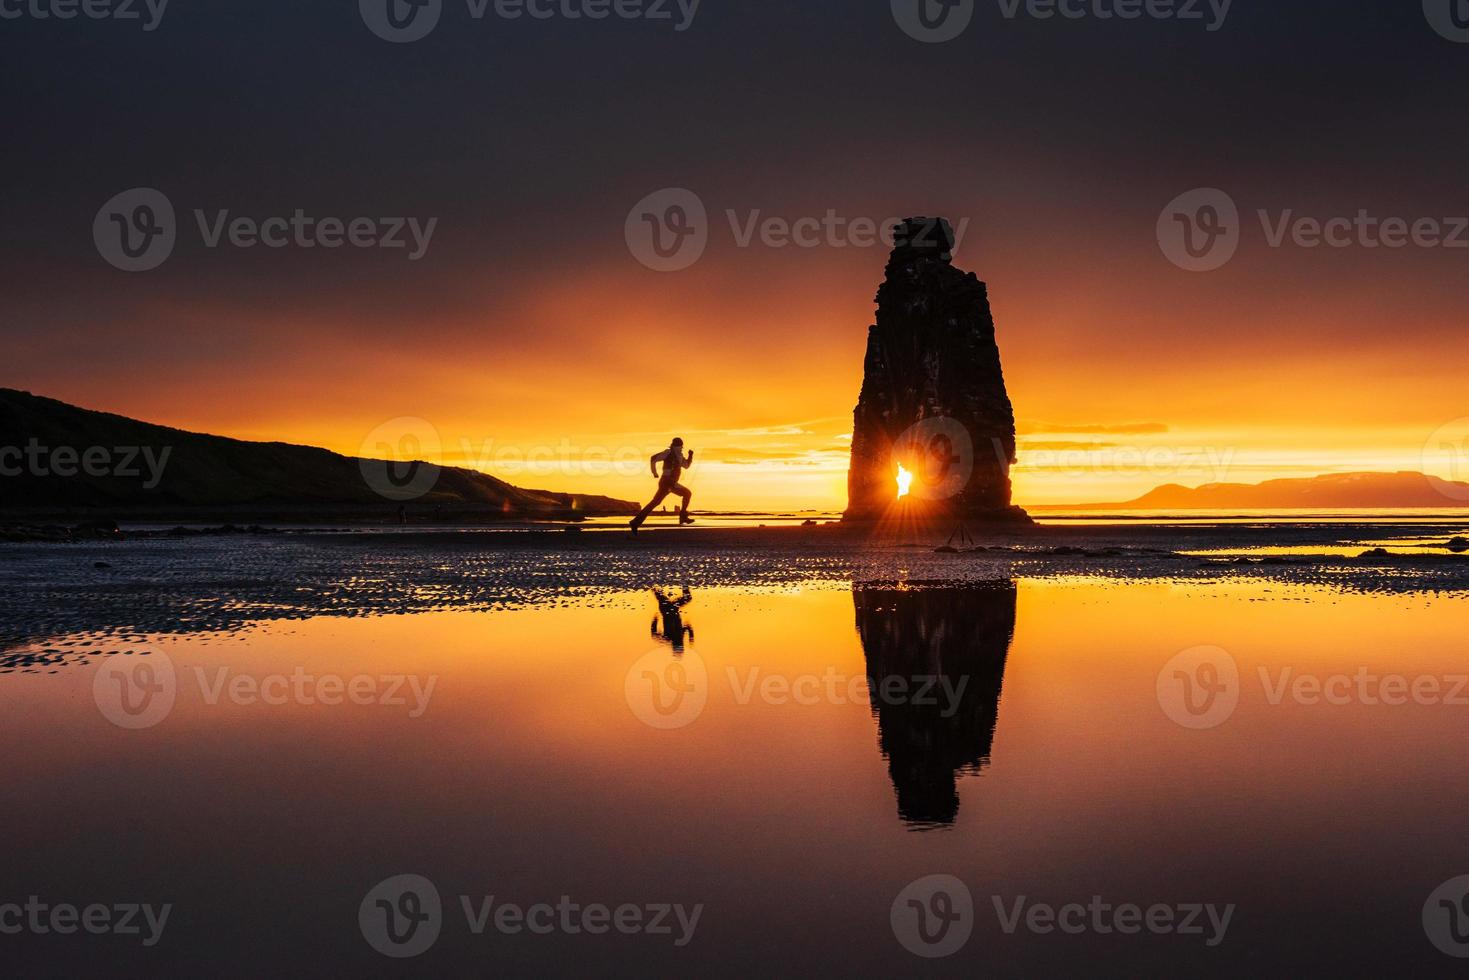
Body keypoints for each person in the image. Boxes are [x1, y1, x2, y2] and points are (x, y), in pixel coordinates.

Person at [630, 438, 695, 533]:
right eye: (678, 446)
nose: (680, 448)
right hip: (666, 482)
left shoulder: (680, 455)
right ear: (673, 446)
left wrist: (690, 456)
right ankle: (683, 516)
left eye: (681, 446)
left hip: (672, 483)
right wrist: (654, 473)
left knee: (655, 502)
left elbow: (686, 466)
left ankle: (635, 522)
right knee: (687, 493)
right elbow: (653, 459)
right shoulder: (668, 453)